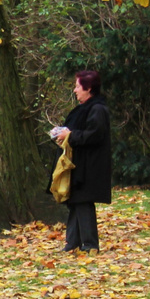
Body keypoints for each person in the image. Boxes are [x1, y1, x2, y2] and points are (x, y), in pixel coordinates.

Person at [53, 69, 111, 252]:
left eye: (78, 86)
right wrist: (61, 133)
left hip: (90, 166)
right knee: (75, 202)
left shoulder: (98, 109)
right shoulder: (84, 109)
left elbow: (94, 135)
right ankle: (72, 243)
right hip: (78, 165)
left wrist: (70, 135)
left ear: (89, 88)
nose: (75, 90)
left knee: (83, 202)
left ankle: (89, 244)